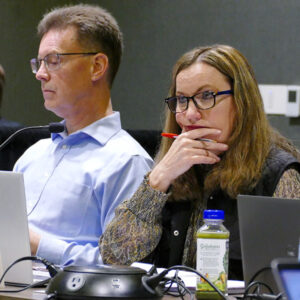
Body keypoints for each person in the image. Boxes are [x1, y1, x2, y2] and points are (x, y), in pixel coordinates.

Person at [99, 44, 300, 279]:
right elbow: (114, 257)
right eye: (182, 99)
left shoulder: (279, 174)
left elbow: (289, 281)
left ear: (242, 102)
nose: (190, 113)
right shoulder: (171, 171)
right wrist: (157, 180)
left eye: (206, 96)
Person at [13, 4, 153, 266]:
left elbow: (121, 266)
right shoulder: (32, 155)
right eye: (39, 63)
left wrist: (38, 246)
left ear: (97, 66)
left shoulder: (128, 161)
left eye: (53, 60)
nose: (41, 74)